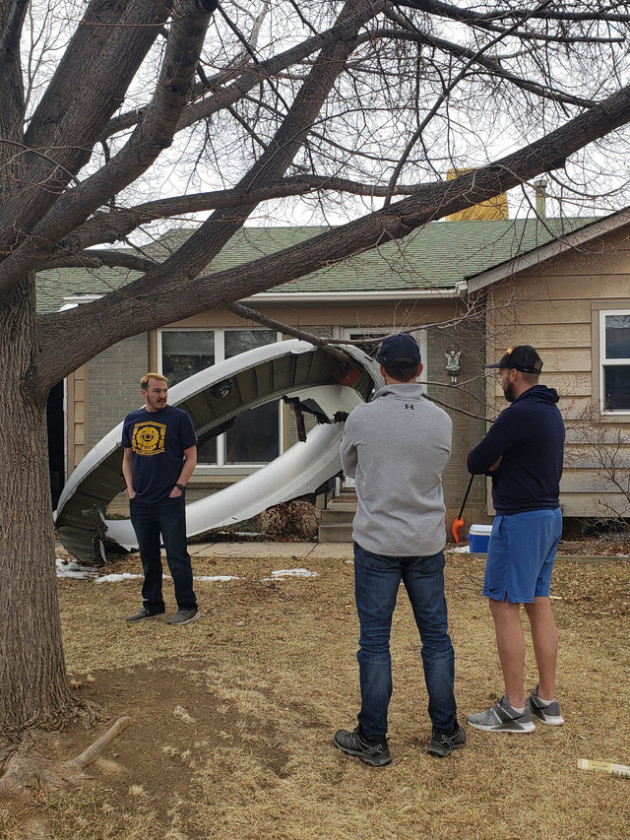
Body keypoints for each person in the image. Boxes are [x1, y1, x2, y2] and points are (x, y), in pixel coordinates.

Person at [334, 333, 465, 767]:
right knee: (436, 639)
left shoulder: (363, 418)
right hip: (426, 543)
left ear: (383, 370)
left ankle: (373, 739)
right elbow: (436, 466)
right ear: (421, 370)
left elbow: (349, 467)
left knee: (375, 643)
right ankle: (445, 731)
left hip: (376, 542)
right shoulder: (440, 420)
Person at [466, 345, 565, 733]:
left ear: (513, 374)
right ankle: (547, 699)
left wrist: (498, 460)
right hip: (550, 517)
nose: (500, 380)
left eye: (502, 373)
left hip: (520, 520)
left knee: (504, 605)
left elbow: (475, 462)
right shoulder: (550, 412)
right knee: (539, 603)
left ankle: (514, 708)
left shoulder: (517, 414)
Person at [122, 372, 199, 626]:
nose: (163, 395)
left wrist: (178, 487)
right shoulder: (132, 420)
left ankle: (188, 606)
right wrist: (131, 491)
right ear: (144, 393)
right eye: (157, 391)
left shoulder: (179, 418)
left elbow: (191, 457)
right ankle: (152, 604)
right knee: (148, 556)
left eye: (165, 390)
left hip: (169, 500)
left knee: (177, 555)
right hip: (141, 502)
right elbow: (127, 459)